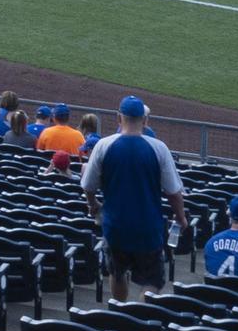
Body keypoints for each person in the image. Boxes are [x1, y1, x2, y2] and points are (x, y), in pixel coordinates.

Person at [79, 95, 187, 301]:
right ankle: (140, 318)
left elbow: (88, 185)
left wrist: (92, 205)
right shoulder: (158, 148)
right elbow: (173, 192)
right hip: (148, 227)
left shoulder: (103, 145)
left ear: (119, 118)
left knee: (117, 272)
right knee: (152, 281)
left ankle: (121, 315)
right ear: (145, 121)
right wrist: (180, 217)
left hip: (115, 225)